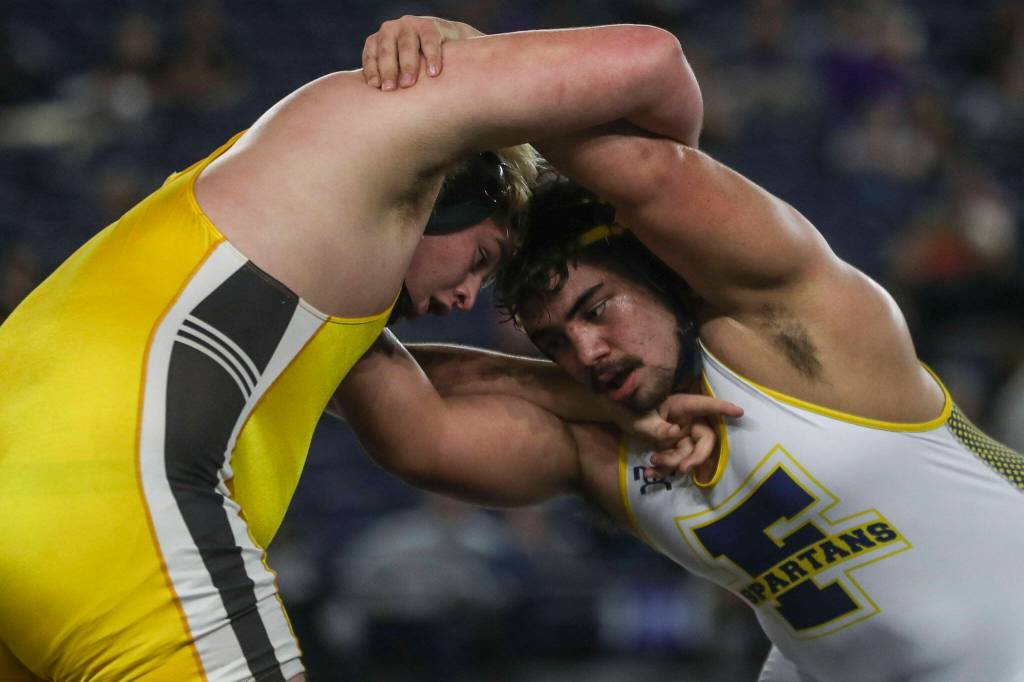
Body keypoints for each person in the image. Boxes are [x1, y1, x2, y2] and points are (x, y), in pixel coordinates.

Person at [0, 16, 716, 681]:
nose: (466, 297)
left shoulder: (284, 259)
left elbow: (428, 421)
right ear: (466, 186)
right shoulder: (374, 138)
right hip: (115, 510)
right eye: (481, 257)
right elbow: (652, 63)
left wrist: (620, 400)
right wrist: (661, 233)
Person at [338, 16, 1024, 682]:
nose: (586, 350)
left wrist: (469, 66)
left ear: (663, 275)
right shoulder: (608, 452)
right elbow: (414, 428)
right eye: (554, 342)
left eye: (597, 309)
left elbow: (651, 89)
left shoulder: (791, 322)